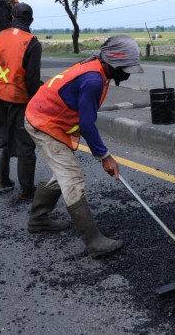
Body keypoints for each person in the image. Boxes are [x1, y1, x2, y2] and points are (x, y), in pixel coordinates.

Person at [23, 35, 144, 258]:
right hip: (43, 122)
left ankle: (38, 219)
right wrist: (105, 156)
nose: (127, 74)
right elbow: (87, 123)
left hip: (48, 118)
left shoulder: (99, 70)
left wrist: (103, 155)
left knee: (63, 170)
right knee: (72, 175)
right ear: (111, 62)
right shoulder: (93, 80)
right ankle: (94, 241)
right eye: (125, 69)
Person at [0, 3, 42, 201]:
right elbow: (31, 78)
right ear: (31, 20)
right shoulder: (32, 43)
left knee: (3, 137)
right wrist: (35, 102)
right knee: (25, 143)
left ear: (12, 18)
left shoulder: (0, 36)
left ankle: (2, 180)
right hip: (18, 98)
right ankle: (27, 190)